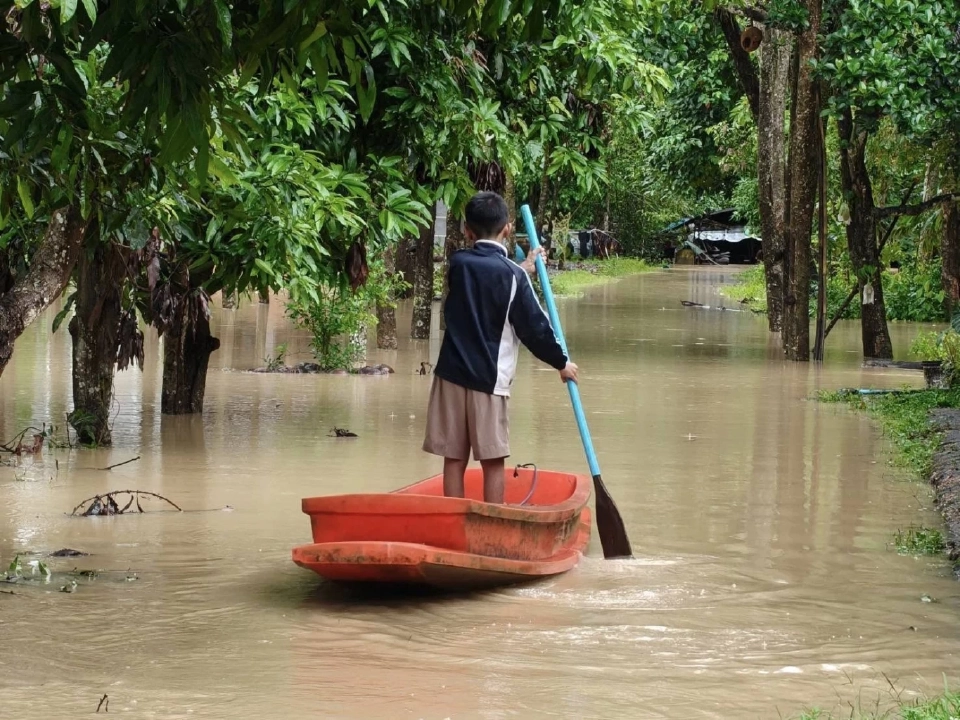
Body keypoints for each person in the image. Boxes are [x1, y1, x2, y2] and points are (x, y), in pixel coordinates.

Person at [422, 191, 579, 503]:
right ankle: (493, 521)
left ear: (466, 230)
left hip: (450, 375)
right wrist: (561, 363)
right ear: (508, 229)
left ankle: (453, 519)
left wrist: (524, 268)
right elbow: (535, 328)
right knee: (493, 461)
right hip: (488, 381)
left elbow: (485, 277)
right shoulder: (513, 276)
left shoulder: (456, 265)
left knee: (454, 457)